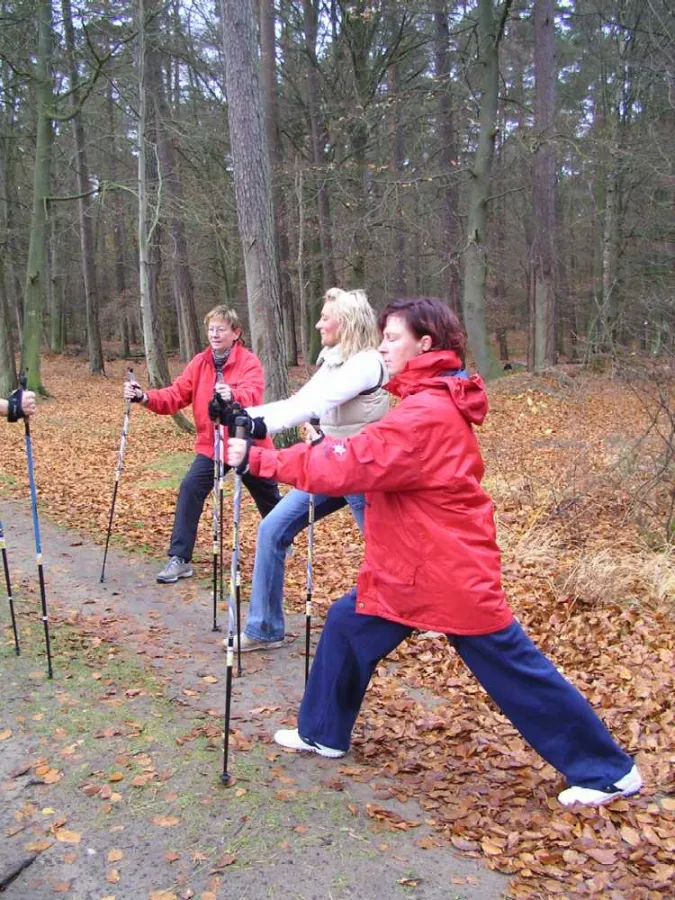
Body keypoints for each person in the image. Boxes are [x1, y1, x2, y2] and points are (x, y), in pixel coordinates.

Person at [227, 297, 642, 807]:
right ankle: (322, 732)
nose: (382, 346)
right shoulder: (425, 399)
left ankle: (608, 770)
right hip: (409, 567)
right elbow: (357, 456)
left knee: (511, 666)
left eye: (393, 338)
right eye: (381, 337)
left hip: (449, 569)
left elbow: (350, 462)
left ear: (426, 344)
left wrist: (262, 459)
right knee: (347, 626)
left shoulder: (426, 412)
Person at [232, 287, 389, 652]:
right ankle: (264, 628)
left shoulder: (367, 363)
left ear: (345, 322)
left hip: (365, 472)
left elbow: (317, 403)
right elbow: (298, 402)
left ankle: (422, 613)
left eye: (325, 317)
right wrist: (245, 415)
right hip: (332, 465)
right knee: (273, 528)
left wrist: (260, 428)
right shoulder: (335, 361)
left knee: (386, 551)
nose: (318, 324)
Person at [124, 305, 280, 584]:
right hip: (213, 446)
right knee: (190, 488)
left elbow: (253, 393)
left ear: (235, 333)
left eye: (221, 329)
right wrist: (144, 397)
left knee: (269, 497)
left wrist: (232, 394)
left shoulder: (248, 361)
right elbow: (175, 395)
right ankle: (180, 558)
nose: (215, 334)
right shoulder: (200, 363)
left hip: (248, 442)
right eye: (211, 329)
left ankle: (282, 540)